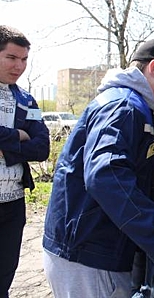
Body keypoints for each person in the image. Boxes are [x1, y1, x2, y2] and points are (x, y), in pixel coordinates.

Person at [42, 38, 154, 298]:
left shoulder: (134, 105)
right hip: (88, 255)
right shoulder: (124, 107)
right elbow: (105, 177)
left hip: (94, 248)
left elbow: (128, 175)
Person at [0, 25, 50, 298]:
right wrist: (17, 136)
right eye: (11, 58)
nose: (19, 66)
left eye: (24, 59)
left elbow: (42, 147)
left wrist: (5, 149)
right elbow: (28, 142)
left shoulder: (26, 99)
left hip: (13, 203)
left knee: (4, 278)